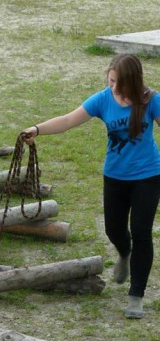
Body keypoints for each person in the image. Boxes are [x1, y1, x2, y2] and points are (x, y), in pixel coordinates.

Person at [23, 53, 160, 319]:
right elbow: (68, 120)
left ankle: (136, 296)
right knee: (114, 229)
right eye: (110, 81)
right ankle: (124, 252)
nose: (113, 87)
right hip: (115, 176)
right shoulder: (103, 99)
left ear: (132, 81)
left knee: (141, 231)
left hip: (148, 176)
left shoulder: (151, 100)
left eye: (117, 83)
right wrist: (37, 129)